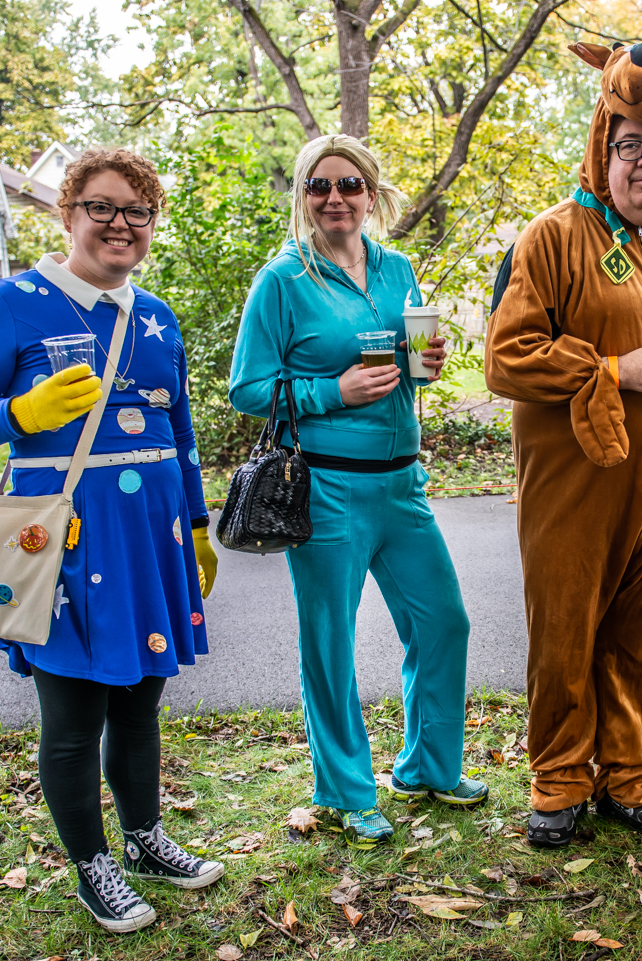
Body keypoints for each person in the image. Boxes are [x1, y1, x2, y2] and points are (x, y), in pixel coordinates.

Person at [0, 148, 222, 933]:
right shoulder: (11, 303)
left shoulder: (156, 315)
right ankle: (93, 867)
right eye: (102, 207)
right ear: (67, 214)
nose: (121, 223)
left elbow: (181, 430)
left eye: (138, 210)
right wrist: (19, 414)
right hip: (64, 544)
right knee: (73, 718)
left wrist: (197, 526)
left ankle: (145, 841)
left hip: (153, 539)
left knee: (140, 705)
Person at [484, 35, 642, 847]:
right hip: (573, 488)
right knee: (565, 631)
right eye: (631, 146)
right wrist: (619, 369)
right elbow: (506, 358)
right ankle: (558, 779)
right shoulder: (553, 236)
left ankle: (631, 775)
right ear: (603, 147)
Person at [228, 134, 485, 848]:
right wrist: (331, 391)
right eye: (320, 186)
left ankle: (429, 767)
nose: (334, 198)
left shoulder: (397, 268)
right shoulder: (283, 280)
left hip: (402, 484)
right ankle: (345, 791)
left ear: (371, 194)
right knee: (330, 644)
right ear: (303, 196)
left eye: (349, 185)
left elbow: (412, 363)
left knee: (443, 622)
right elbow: (247, 388)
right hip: (327, 488)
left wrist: (428, 361)